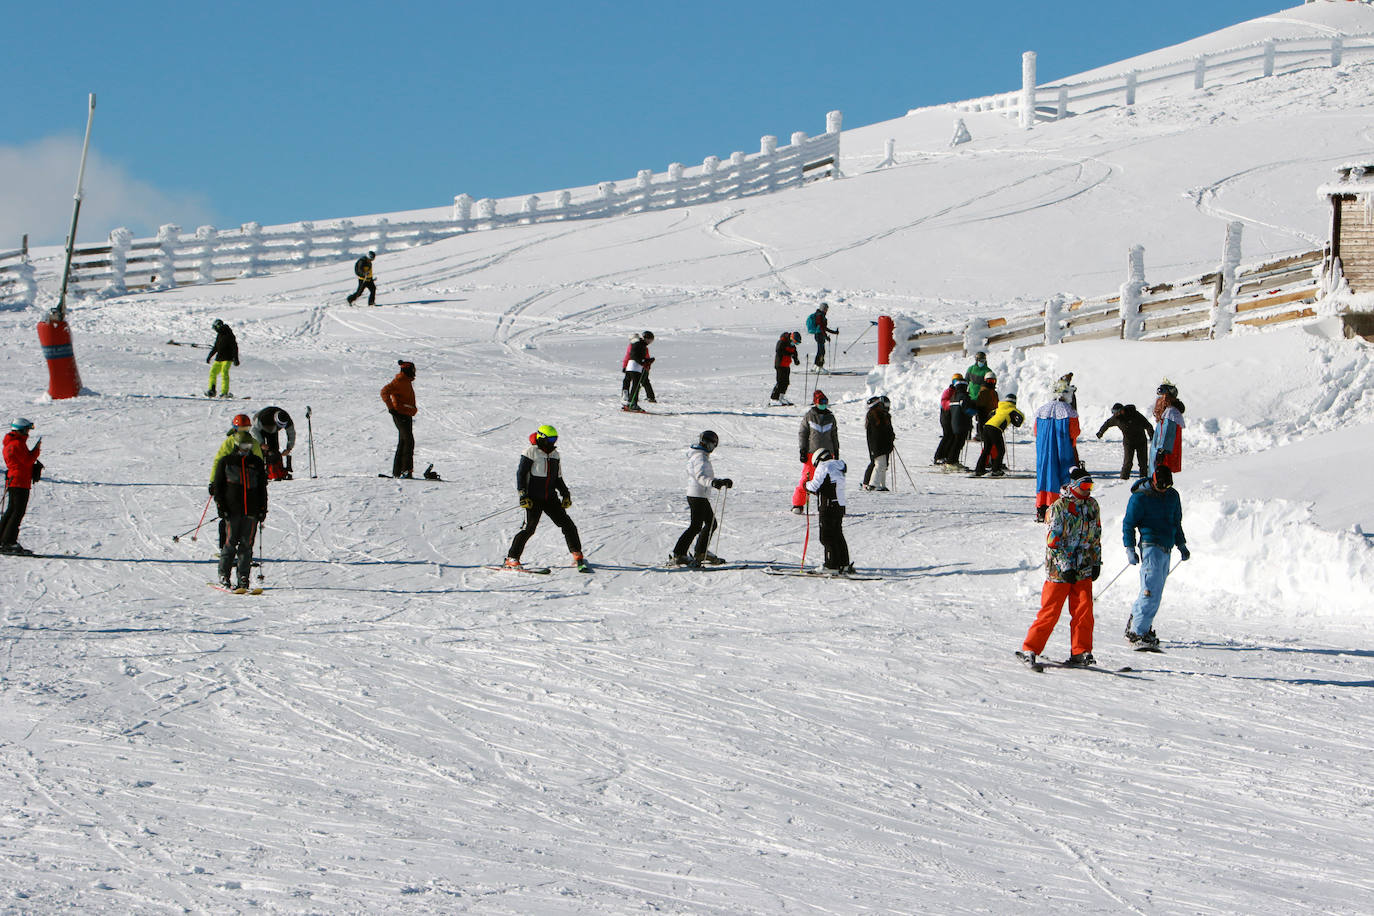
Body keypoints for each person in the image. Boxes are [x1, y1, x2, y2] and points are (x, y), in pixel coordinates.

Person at [1018, 467, 1101, 667]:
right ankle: (1030, 648)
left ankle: (1081, 651)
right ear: (1073, 486)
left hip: (1083, 568)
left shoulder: (1092, 505)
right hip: (1059, 570)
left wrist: (1096, 561)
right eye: (1084, 485)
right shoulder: (1058, 508)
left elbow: (1096, 536)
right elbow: (1053, 542)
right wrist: (1065, 566)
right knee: (1051, 611)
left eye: (1090, 485)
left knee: (1084, 611)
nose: (1088, 489)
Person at [505, 425, 588, 572]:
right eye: (550, 439)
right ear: (542, 438)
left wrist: (565, 493)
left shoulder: (555, 455)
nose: (553, 442)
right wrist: (522, 494)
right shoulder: (531, 452)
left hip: (550, 498)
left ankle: (577, 554)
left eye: (555, 438)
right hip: (533, 499)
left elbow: (557, 477)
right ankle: (512, 558)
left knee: (568, 525)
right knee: (528, 529)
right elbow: (521, 474)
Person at [1123, 465, 1189, 649]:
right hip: (1150, 546)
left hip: (1167, 547)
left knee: (1155, 592)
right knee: (1150, 591)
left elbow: (1176, 522)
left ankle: (1137, 622)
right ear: (1153, 481)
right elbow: (1128, 524)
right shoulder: (1140, 498)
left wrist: (1181, 544)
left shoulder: (1172, 496)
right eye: (1161, 486)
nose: (1164, 490)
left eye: (1167, 486)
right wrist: (1129, 548)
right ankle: (1138, 632)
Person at [212, 430, 268, 590]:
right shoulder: (227, 462)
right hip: (232, 509)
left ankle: (243, 577)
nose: (246, 448)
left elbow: (262, 487)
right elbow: (219, 486)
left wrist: (263, 508)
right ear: (237, 445)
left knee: (247, 544)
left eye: (249, 445)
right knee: (230, 543)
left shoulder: (256, 462)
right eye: (243, 445)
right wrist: (221, 506)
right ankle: (224, 574)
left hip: (251, 510)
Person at [669, 430, 732, 567]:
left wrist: (719, 481)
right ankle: (682, 554)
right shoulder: (700, 457)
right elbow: (701, 477)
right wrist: (714, 483)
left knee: (705, 524)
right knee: (699, 525)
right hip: (697, 495)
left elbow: (703, 476)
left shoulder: (700, 455)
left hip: (698, 494)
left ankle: (697, 552)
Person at [210, 414, 263, 553]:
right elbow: (219, 462)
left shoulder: (253, 442)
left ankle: (244, 550)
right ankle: (225, 548)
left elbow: (259, 461)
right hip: (231, 485)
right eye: (241, 428)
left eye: (246, 428)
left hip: (249, 486)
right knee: (227, 519)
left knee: (247, 520)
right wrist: (213, 482)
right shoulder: (229, 442)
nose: (243, 431)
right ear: (235, 428)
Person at [1033, 378, 1081, 521]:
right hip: (1063, 450)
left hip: (1043, 451)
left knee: (1044, 476)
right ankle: (1059, 506)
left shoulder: (1041, 410)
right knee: (1063, 475)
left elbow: (1036, 431)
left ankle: (1042, 507)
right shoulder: (1069, 411)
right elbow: (1075, 432)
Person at [805, 447, 853, 574]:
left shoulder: (824, 466)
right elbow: (829, 485)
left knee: (826, 536)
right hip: (839, 505)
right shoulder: (837, 466)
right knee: (837, 534)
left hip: (828, 506)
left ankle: (831, 565)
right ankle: (843, 563)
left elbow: (815, 485)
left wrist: (806, 485)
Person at [1, 418, 43, 555]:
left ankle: (3, 540)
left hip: (15, 480)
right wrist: (36, 450)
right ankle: (9, 542)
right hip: (20, 481)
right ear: (21, 430)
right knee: (17, 512)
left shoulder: (12, 443)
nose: (28, 433)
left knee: (12, 511)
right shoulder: (17, 444)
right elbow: (27, 460)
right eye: (27, 430)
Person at [793, 389, 839, 513]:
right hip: (811, 453)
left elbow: (834, 435)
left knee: (827, 480)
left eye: (825, 401)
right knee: (806, 479)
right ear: (815, 402)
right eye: (821, 401)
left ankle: (827, 503)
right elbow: (803, 433)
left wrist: (836, 450)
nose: (823, 404)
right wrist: (803, 450)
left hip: (828, 454)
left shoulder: (830, 417)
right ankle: (798, 504)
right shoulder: (809, 416)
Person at [1096, 403, 1154, 479]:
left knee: (1143, 463)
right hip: (1128, 443)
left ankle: (1144, 479)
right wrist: (1100, 433)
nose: (1116, 414)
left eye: (1118, 412)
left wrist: (1152, 437)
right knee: (1127, 463)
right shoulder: (1116, 418)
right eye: (1114, 413)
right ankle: (1123, 479)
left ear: (1122, 410)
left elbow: (1148, 425)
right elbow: (1107, 424)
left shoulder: (1135, 414)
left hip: (1141, 441)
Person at [381, 360, 418, 478]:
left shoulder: (405, 381)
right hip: (400, 414)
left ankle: (398, 472)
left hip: (406, 414)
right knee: (408, 441)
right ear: (408, 370)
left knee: (403, 441)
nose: (414, 372)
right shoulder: (400, 381)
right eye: (413, 370)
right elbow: (384, 392)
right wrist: (391, 408)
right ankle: (406, 470)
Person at [974, 392, 1024, 477]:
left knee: (987, 449)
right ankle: (996, 470)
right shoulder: (1012, 410)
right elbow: (1021, 417)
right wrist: (1016, 423)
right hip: (995, 429)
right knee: (1001, 450)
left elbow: (990, 414)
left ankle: (979, 469)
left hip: (986, 427)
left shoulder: (999, 408)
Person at [933, 378, 976, 471]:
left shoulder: (953, 397)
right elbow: (967, 410)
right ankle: (951, 461)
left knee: (956, 442)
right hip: (962, 424)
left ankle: (951, 460)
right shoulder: (963, 397)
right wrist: (975, 411)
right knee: (958, 444)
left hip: (954, 423)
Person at [1150, 380, 1185, 475]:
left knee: (1159, 479)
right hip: (1161, 455)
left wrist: (1162, 451)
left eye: (1161, 397)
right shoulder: (1166, 413)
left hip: (1163, 458)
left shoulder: (1170, 414)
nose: (1158, 401)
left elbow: (1167, 434)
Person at [251, 406, 296, 480]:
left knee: (273, 450)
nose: (281, 427)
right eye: (279, 425)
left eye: (282, 426)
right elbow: (253, 430)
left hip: (272, 430)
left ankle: (274, 471)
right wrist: (261, 443)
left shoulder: (287, 419)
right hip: (260, 428)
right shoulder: (263, 417)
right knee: (260, 451)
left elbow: (291, 433)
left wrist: (289, 448)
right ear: (275, 420)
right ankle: (259, 472)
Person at [862, 395, 895, 491]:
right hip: (878, 445)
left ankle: (881, 484)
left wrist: (891, 437)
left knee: (883, 465)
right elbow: (879, 433)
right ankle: (873, 484)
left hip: (883, 445)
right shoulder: (875, 416)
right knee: (880, 464)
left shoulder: (882, 415)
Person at [932, 374, 962, 465]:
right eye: (955, 380)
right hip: (946, 416)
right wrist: (953, 404)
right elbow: (944, 402)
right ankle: (939, 456)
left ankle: (946, 455)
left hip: (952, 416)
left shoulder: (959, 392)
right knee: (947, 436)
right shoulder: (949, 391)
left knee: (952, 436)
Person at [205, 318, 239, 398]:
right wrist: (210, 356)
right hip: (219, 358)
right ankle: (212, 390)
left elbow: (235, 347)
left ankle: (224, 392)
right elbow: (216, 347)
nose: (215, 330)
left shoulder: (229, 334)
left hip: (227, 358)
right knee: (212, 372)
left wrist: (236, 358)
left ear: (218, 326)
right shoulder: (219, 335)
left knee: (224, 373)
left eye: (215, 328)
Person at [623, 331, 654, 412]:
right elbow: (633, 355)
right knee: (636, 386)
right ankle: (633, 404)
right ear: (646, 338)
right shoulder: (639, 344)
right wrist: (643, 362)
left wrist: (647, 360)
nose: (650, 342)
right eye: (650, 340)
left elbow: (638, 356)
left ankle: (630, 403)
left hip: (634, 367)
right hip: (634, 367)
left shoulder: (640, 344)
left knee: (636, 385)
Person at [771, 331, 801, 405]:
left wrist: (796, 360)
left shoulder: (792, 345)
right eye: (795, 342)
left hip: (786, 364)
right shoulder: (782, 341)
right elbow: (778, 350)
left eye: (797, 343)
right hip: (780, 364)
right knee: (780, 382)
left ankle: (781, 398)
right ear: (791, 338)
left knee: (786, 382)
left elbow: (794, 352)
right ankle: (774, 399)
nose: (795, 344)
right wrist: (789, 353)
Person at [806, 303, 839, 370]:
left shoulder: (820, 315)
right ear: (823, 309)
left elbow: (824, 328)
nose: (827, 310)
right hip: (819, 335)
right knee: (822, 351)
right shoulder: (820, 316)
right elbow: (821, 327)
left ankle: (815, 366)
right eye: (826, 309)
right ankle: (819, 366)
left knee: (820, 351)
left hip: (819, 335)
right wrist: (826, 336)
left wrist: (834, 332)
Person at [972, 371, 1000, 440]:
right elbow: (980, 403)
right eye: (989, 380)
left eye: (992, 381)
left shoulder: (994, 392)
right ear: (985, 380)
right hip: (984, 413)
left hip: (993, 413)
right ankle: (981, 434)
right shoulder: (983, 391)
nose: (990, 383)